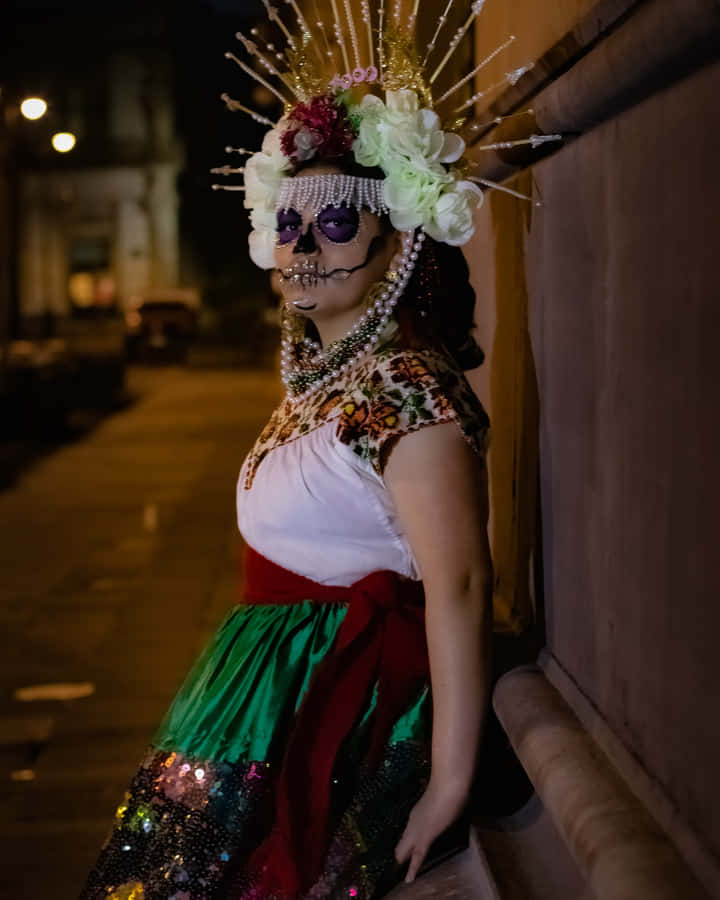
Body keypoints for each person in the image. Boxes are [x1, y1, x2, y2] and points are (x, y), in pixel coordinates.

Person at [80, 7, 507, 899]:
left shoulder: (408, 391)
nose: (304, 248)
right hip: (255, 708)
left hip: (337, 719)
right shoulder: (323, 382)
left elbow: (460, 584)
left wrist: (449, 781)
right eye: (289, 222)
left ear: (397, 239)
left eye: (340, 223)